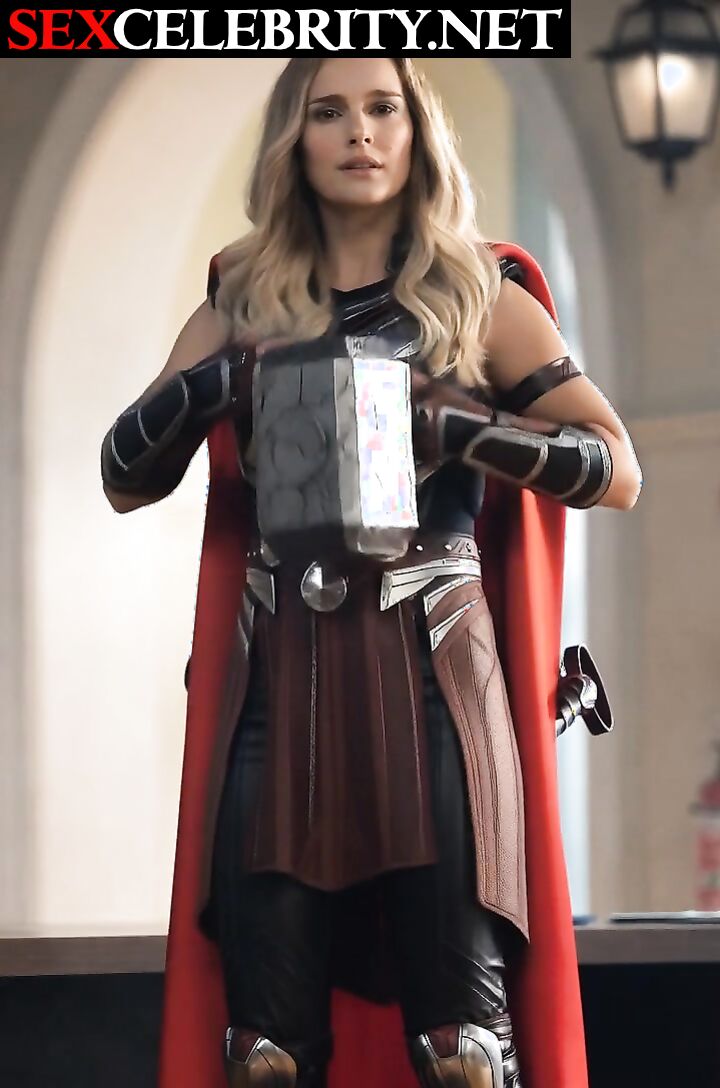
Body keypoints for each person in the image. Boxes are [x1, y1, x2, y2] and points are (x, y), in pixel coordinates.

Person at [101, 58, 642, 1088]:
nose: (360, 132)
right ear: (293, 139)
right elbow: (125, 476)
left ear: (416, 130)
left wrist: (460, 425)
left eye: (383, 107)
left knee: (465, 1052)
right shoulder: (243, 299)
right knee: (264, 1054)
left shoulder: (478, 295)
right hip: (281, 677)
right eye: (330, 111)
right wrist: (222, 379)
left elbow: (616, 468)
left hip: (435, 672)